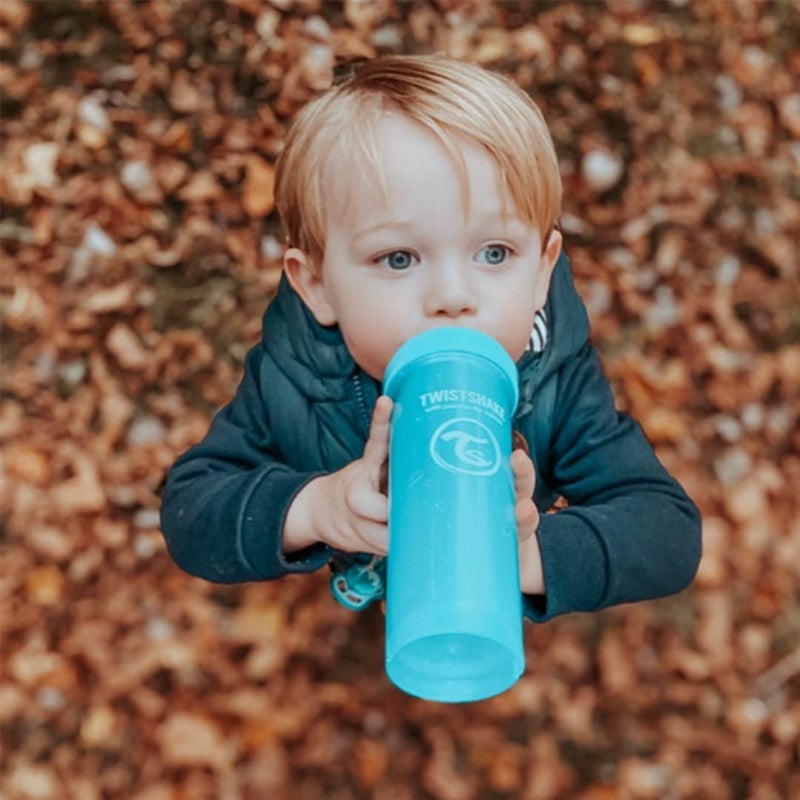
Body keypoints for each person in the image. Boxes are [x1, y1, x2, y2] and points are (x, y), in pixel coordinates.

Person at [159, 54, 701, 621]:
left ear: (542, 272)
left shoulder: (557, 385)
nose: (453, 296)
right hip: (362, 551)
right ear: (317, 286)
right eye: (398, 258)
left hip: (484, 592)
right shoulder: (294, 376)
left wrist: (525, 557)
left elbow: (668, 531)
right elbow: (191, 508)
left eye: (495, 253)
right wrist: (315, 509)